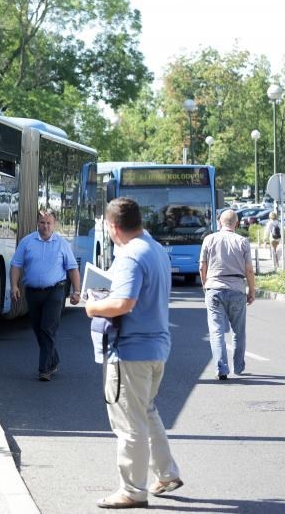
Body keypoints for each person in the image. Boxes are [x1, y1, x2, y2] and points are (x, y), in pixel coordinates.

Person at [84, 197, 181, 509]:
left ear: (113, 228)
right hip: (156, 347)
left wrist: (91, 306)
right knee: (146, 412)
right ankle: (166, 473)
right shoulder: (154, 249)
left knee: (129, 424)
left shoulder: (130, 256)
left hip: (131, 350)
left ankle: (132, 491)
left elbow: (123, 303)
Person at [10, 209, 80, 381]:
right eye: (42, 223)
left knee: (47, 329)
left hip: (55, 291)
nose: (45, 226)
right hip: (33, 293)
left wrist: (76, 291)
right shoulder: (27, 242)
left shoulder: (61, 244)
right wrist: (13, 286)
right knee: (38, 329)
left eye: (49, 223)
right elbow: (16, 265)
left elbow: (72, 268)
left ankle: (44, 369)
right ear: (38, 224)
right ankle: (53, 359)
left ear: (54, 224)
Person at [199, 209, 256, 380]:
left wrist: (205, 286)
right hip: (237, 289)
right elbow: (249, 270)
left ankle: (221, 368)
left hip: (214, 288)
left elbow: (202, 267)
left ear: (220, 223)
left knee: (216, 331)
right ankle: (238, 367)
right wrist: (251, 291)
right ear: (237, 224)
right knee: (239, 331)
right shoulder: (242, 241)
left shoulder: (209, 239)